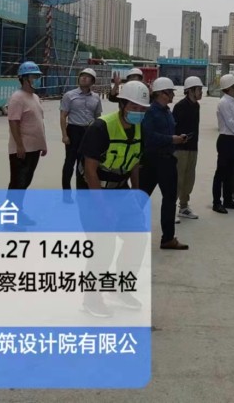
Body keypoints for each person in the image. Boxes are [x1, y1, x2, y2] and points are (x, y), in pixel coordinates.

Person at [77, 80, 151, 317]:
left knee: (138, 238)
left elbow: (135, 163)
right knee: (103, 244)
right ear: (122, 104)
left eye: (142, 108)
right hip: (93, 192)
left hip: (121, 189)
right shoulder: (101, 127)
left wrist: (137, 195)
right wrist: (102, 207)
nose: (138, 112)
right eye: (134, 107)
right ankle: (91, 298)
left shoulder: (140, 129)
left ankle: (121, 286)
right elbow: (90, 171)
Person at [140, 77, 189, 250]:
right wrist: (171, 139)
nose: (173, 95)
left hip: (167, 159)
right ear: (162, 93)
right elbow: (149, 136)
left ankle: (168, 238)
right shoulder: (150, 112)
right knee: (140, 197)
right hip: (152, 159)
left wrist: (177, 139)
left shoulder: (167, 111)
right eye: (170, 92)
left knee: (169, 199)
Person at [7, 61, 48, 194]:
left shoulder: (35, 97)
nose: (37, 79)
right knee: (18, 183)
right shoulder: (17, 98)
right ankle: (11, 207)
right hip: (23, 150)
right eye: (34, 76)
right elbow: (13, 122)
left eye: (38, 76)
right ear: (24, 79)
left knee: (25, 182)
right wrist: (19, 145)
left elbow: (39, 121)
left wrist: (43, 144)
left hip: (34, 148)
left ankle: (18, 205)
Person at [59, 68, 102, 192]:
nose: (84, 78)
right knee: (69, 162)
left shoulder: (96, 98)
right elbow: (63, 116)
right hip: (73, 131)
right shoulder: (69, 95)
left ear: (92, 81)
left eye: (87, 76)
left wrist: (97, 136)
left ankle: (81, 191)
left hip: (88, 132)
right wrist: (64, 135)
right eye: (82, 76)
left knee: (83, 163)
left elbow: (97, 117)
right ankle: (66, 193)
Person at [212, 74, 234, 214]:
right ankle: (216, 202)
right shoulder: (224, 102)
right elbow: (229, 121)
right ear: (230, 87)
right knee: (221, 172)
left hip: (233, 139)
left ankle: (228, 200)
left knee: (230, 172)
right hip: (225, 139)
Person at [173, 76, 203, 219]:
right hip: (180, 149)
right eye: (199, 89)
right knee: (178, 179)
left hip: (192, 147)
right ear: (190, 90)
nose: (201, 92)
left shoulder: (196, 106)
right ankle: (170, 209)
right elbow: (173, 127)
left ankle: (184, 207)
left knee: (189, 179)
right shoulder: (180, 106)